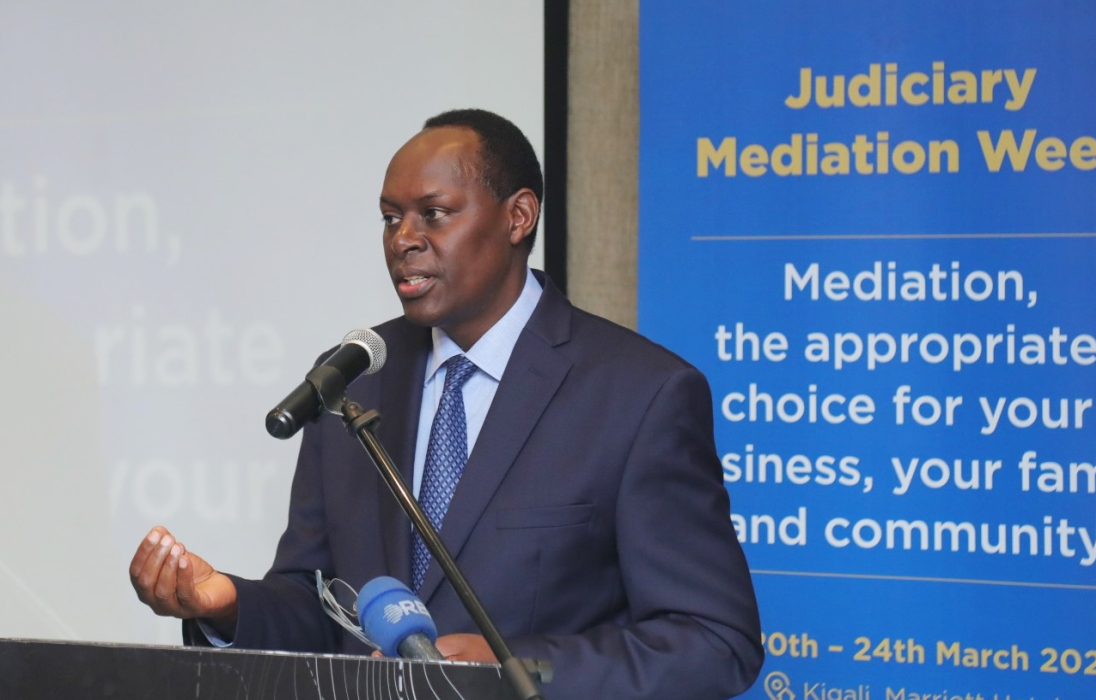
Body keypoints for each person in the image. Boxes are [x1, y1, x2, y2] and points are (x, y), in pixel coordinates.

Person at [129, 109, 763, 699]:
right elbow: (324, 609)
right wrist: (225, 604)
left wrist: (510, 665)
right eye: (389, 217)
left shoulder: (638, 393)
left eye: (433, 214)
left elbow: (714, 642)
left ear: (518, 217)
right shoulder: (354, 380)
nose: (403, 239)